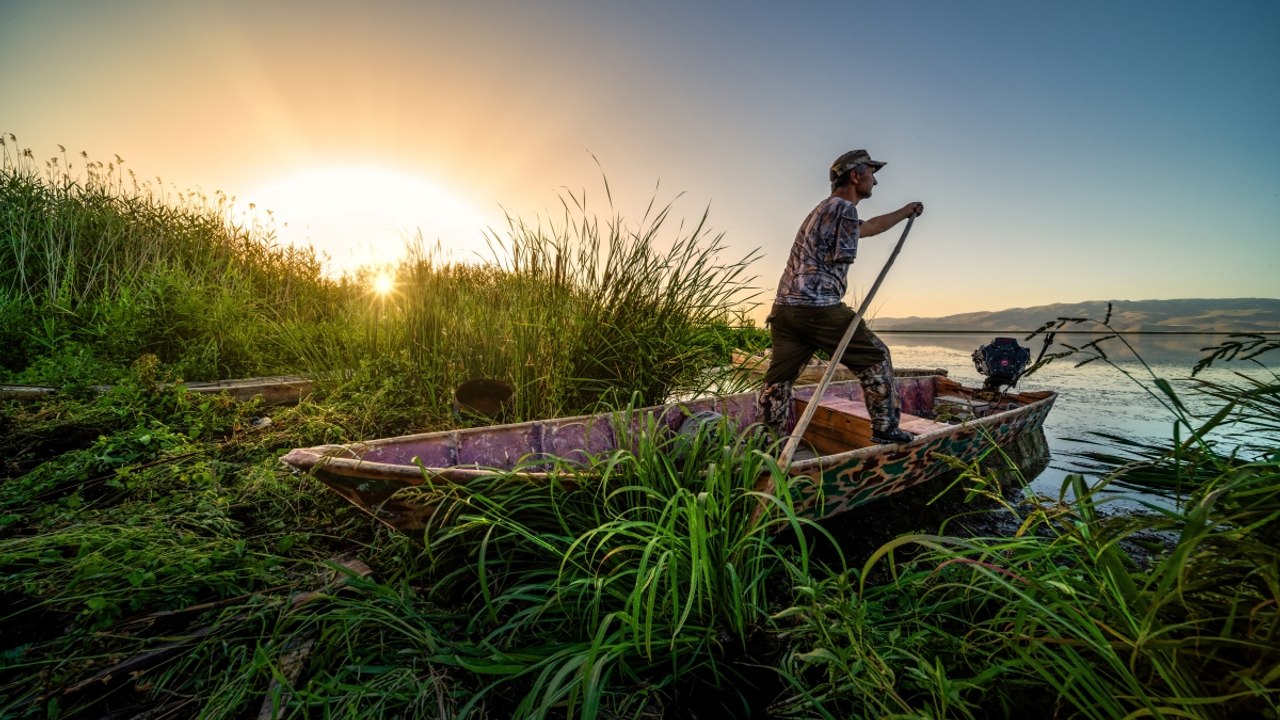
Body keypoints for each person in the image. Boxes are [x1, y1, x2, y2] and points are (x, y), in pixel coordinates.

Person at [757, 149, 924, 444]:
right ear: (855, 176)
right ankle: (885, 429)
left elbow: (869, 228)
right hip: (817, 307)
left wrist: (905, 212)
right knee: (876, 357)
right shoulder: (844, 209)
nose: (875, 181)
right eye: (871, 174)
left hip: (784, 310)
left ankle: (766, 444)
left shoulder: (825, 209)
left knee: (778, 381)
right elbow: (842, 256)